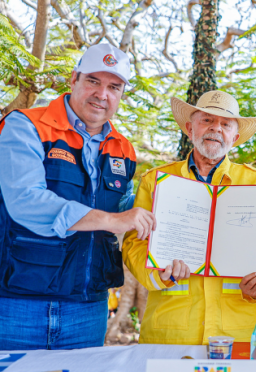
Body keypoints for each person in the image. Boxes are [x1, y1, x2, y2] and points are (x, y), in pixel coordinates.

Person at [0, 44, 155, 349]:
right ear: (74, 79)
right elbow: (26, 201)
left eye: (114, 87)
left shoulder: (123, 148)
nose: (103, 94)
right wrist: (114, 220)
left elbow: (127, 208)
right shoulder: (25, 126)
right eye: (93, 81)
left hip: (88, 307)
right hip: (17, 303)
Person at [122, 90, 256, 344]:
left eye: (225, 124)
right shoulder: (155, 181)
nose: (216, 129)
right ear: (190, 128)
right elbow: (133, 243)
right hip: (170, 332)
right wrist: (158, 275)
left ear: (236, 135)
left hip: (237, 335)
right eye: (207, 120)